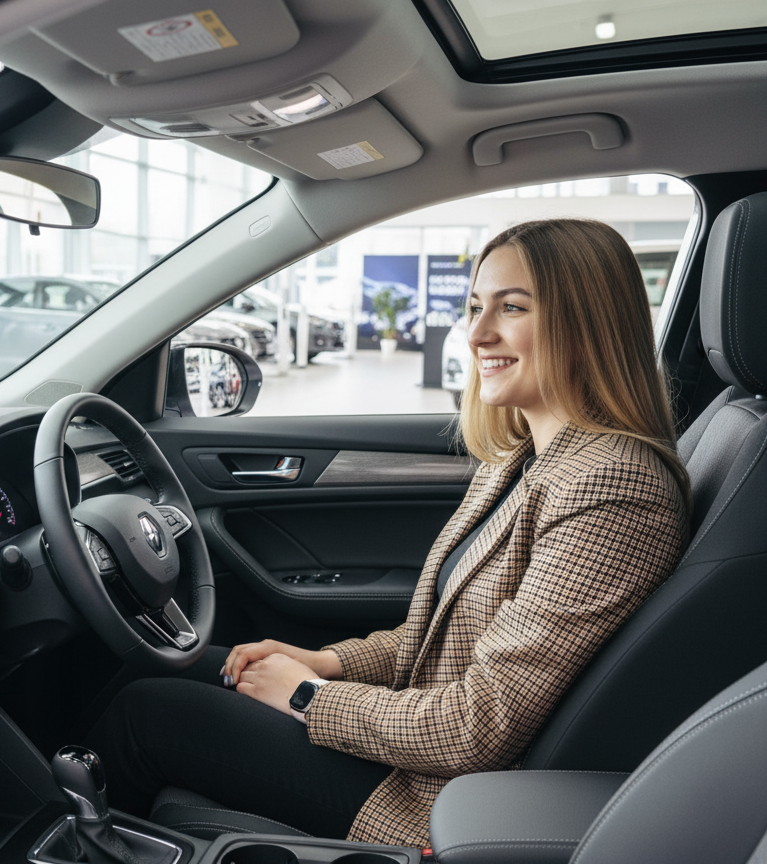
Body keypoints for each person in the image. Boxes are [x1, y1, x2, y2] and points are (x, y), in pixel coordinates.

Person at [85, 219, 690, 849]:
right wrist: (328, 662)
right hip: (412, 746)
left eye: (512, 308)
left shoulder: (614, 485)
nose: (478, 333)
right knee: (154, 665)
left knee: (146, 712)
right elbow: (439, 638)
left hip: (438, 795)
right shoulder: (522, 459)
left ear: (589, 325)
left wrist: (308, 697)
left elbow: (479, 724)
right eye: (477, 307)